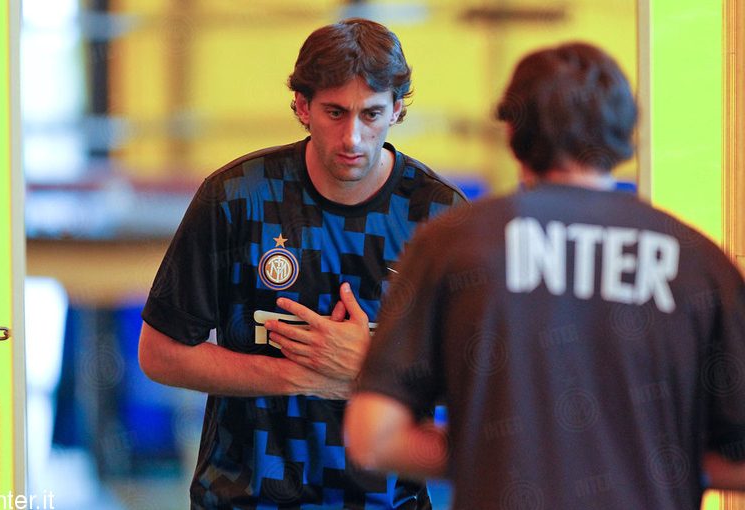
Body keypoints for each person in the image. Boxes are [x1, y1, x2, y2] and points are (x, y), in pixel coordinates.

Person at [345, 42, 745, 509]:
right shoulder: (697, 263)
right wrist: (637, 459)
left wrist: (502, 453)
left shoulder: (453, 245)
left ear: (513, 131)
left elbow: (374, 438)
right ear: (626, 130)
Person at [138, 17, 466, 509]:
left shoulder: (438, 217)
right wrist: (302, 375)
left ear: (397, 110)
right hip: (246, 498)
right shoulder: (237, 197)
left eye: (371, 114)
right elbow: (160, 353)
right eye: (335, 112)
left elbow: (485, 384)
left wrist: (369, 366)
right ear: (302, 106)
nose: (353, 137)